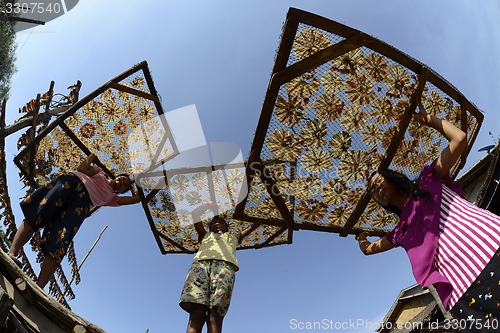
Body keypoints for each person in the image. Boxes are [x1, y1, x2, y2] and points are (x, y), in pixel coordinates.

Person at [356, 97, 499, 331]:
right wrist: (361, 239)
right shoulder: (400, 231)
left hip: (492, 244)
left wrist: (428, 120)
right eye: (371, 190)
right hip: (465, 288)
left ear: (392, 177)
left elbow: (459, 138)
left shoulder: (428, 179)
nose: (376, 187)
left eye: (377, 180)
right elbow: (369, 250)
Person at [6, 153, 141, 288]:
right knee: (38, 214)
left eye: (125, 185)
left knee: (60, 241)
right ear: (116, 176)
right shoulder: (100, 173)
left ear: (123, 191)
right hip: (70, 183)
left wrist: (132, 184)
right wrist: (93, 159)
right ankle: (12, 253)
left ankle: (38, 287)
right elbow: (82, 168)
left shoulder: (113, 199)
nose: (122, 182)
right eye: (122, 178)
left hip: (81, 206)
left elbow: (137, 199)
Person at [179, 202, 258, 333]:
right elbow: (195, 214)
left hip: (224, 268)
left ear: (227, 228)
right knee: (197, 311)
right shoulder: (205, 236)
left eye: (220, 222)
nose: (216, 224)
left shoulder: (233, 237)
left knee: (215, 313)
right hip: (201, 266)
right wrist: (209, 206)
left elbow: (254, 225)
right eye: (213, 223)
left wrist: (266, 213)